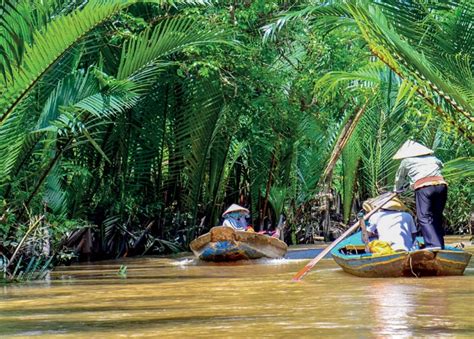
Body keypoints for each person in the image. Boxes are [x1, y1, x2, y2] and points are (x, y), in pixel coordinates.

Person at [393, 140, 448, 249]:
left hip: (424, 188)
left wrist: (396, 191)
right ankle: (440, 245)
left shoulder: (406, 161)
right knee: (436, 216)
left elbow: (399, 178)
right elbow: (441, 165)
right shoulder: (433, 158)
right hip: (441, 186)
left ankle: (433, 245)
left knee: (424, 217)